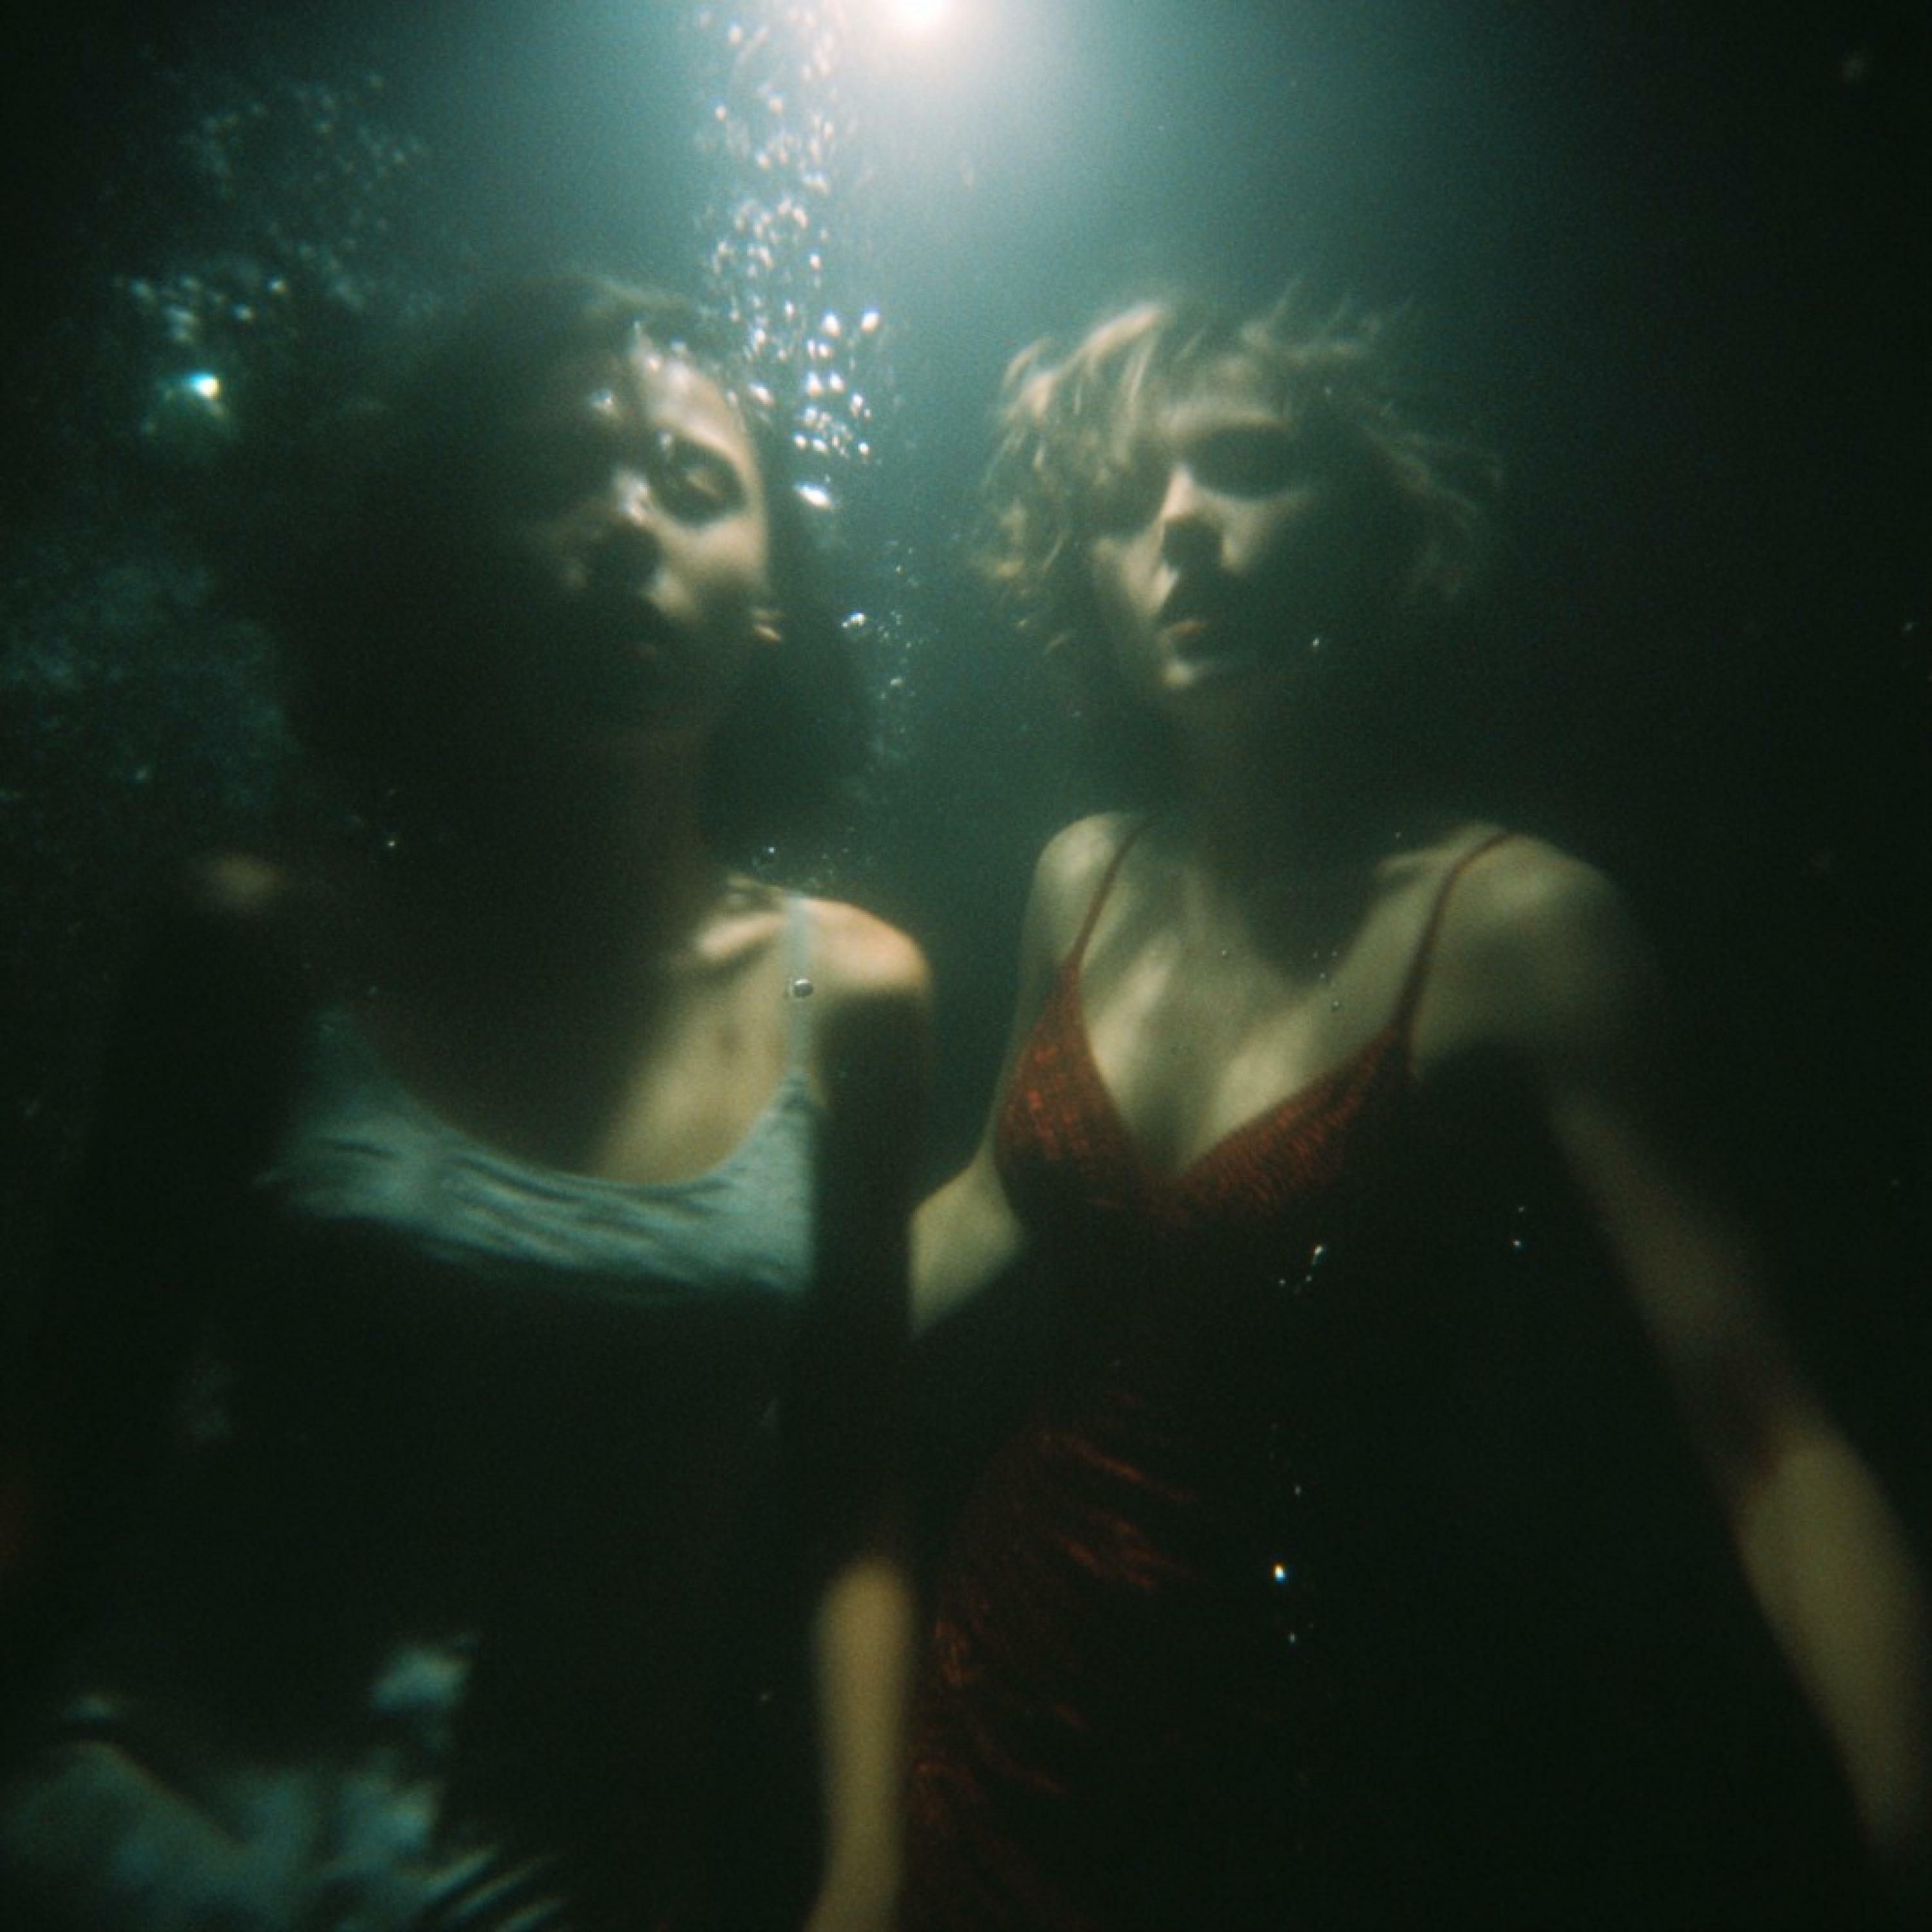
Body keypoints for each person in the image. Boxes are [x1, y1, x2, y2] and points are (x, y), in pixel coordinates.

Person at [905, 294, 1929, 1927]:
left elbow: (1767, 1434)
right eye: (1120, 501)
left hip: (1308, 1785)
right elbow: (983, 1206)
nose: (1182, 527)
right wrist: (725, 1312)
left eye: (1247, 465)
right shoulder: (1076, 880)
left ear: (1374, 529)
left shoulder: (1521, 931)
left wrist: (1903, 1838)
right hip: (999, 1700)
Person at [0, 275, 924, 1931]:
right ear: (445, 559)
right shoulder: (260, 944)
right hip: (129, 1862)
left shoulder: (851, 1000)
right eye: (560, 474)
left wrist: (866, 1871)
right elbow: (63, 1420)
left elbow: (854, 1484)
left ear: (773, 595)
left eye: (695, 484)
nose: (629, 524)